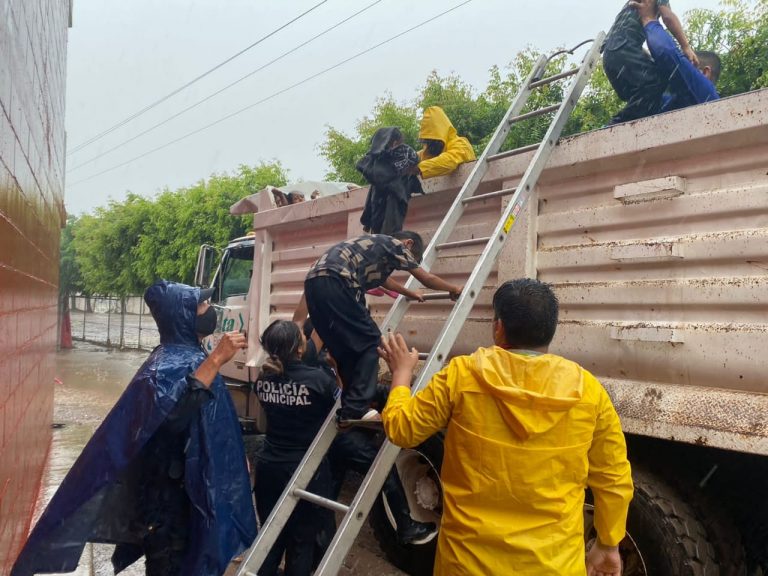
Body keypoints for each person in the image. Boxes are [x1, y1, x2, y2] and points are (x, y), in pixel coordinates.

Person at [379, 278, 634, 576]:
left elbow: (401, 429)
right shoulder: (588, 391)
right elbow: (613, 479)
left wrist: (401, 374)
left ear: (499, 327)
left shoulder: (462, 375)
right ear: (551, 330)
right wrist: (607, 545)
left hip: (466, 564)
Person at [12, 281, 257, 576]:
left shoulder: (191, 358)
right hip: (170, 501)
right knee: (171, 564)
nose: (210, 310)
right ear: (182, 315)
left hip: (189, 495)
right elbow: (172, 419)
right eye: (202, 305)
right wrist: (216, 359)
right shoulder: (163, 368)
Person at [302, 230, 463, 423]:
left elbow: (385, 281)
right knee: (371, 342)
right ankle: (357, 408)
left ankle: (350, 406)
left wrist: (409, 293)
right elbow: (426, 278)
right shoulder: (397, 245)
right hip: (338, 280)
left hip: (313, 282)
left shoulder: (374, 247)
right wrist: (454, 288)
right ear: (409, 243)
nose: (406, 264)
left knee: (344, 348)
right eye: (412, 259)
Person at [253, 320, 338, 576]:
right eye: (303, 336)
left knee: (269, 540)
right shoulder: (319, 380)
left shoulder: (263, 378)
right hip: (305, 470)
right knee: (301, 541)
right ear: (300, 349)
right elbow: (345, 411)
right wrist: (337, 368)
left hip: (268, 468)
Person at [603, 0, 697, 124]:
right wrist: (686, 46)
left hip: (611, 55)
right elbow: (668, 17)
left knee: (646, 96)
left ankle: (636, 124)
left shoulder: (634, 10)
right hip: (622, 49)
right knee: (654, 82)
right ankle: (618, 125)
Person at [633, 0, 720, 113]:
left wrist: (648, 19)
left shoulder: (707, 94)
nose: (681, 65)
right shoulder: (675, 100)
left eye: (686, 63)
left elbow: (665, 52)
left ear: (705, 73)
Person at [358, 126, 423, 235]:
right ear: (395, 142)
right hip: (384, 223)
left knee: (385, 236)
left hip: (382, 221)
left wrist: (367, 223)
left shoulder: (376, 166)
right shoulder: (400, 157)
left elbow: (370, 202)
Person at [415, 106, 476, 179]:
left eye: (431, 140)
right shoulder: (431, 151)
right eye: (427, 141)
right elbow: (418, 156)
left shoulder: (461, 144)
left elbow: (450, 160)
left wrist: (419, 168)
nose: (429, 145)